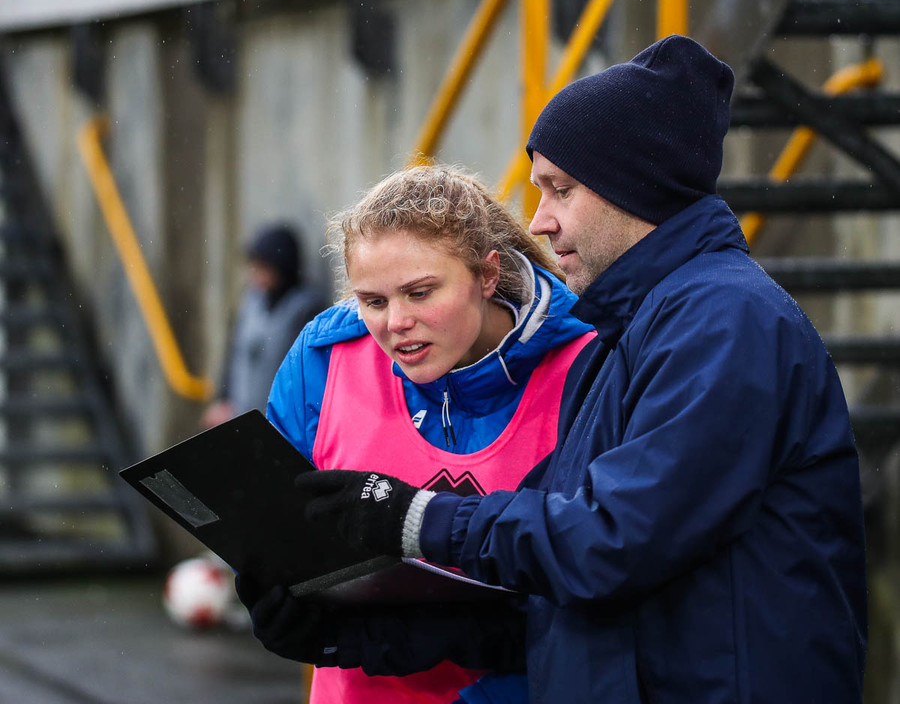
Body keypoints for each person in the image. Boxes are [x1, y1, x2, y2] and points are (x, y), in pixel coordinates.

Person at [291, 35, 869, 702]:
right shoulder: (629, 336)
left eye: (560, 190)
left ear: (638, 187)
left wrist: (414, 517)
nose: (538, 222)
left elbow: (612, 540)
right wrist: (360, 635)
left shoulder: (726, 321)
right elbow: (562, 595)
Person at [235, 165, 595, 703]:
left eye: (420, 293)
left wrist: (419, 632)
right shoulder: (322, 359)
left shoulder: (589, 366)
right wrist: (275, 599)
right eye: (373, 301)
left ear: (487, 275)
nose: (395, 322)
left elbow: (598, 567)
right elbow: (277, 529)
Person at [201, 223, 329, 429]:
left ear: (281, 267)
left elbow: (308, 374)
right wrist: (222, 399)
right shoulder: (251, 300)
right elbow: (233, 353)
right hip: (240, 415)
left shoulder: (306, 309)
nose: (256, 274)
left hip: (281, 422)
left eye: (263, 267)